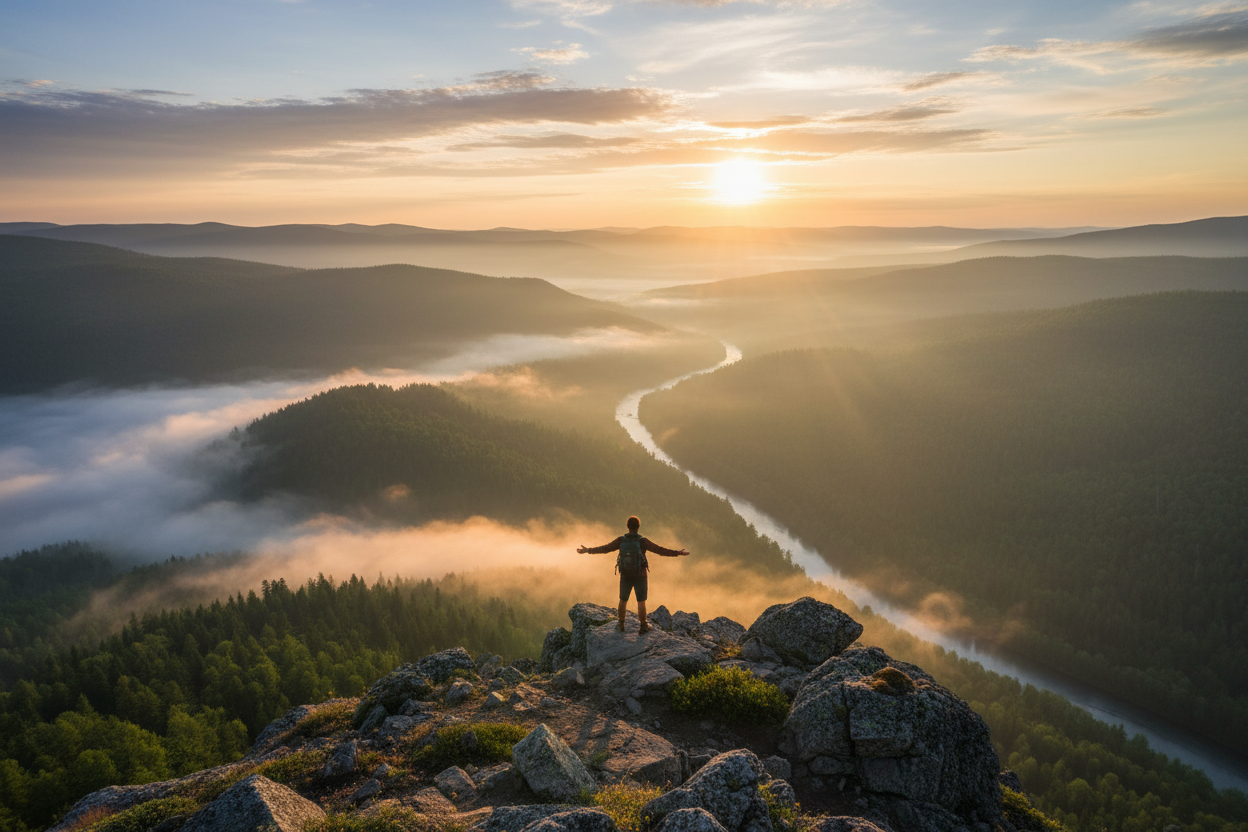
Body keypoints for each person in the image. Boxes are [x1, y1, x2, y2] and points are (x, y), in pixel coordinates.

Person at [578, 515, 689, 634]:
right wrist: (678, 553)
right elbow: (660, 550)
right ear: (638, 527)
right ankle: (643, 626)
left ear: (627, 527)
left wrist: (588, 550)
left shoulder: (621, 540)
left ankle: (621, 624)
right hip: (640, 575)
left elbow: (605, 548)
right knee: (641, 601)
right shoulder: (642, 541)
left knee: (623, 600)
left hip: (625, 575)